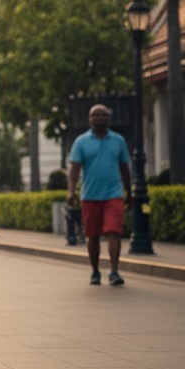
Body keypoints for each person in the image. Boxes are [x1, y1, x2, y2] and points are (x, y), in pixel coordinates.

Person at [67, 104, 131, 286]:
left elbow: (125, 169)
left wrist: (129, 192)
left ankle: (114, 271)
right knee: (92, 235)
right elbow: (74, 171)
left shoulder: (118, 141)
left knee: (114, 231)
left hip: (114, 195)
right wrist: (71, 191)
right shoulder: (81, 142)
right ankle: (95, 271)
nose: (100, 117)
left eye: (103, 115)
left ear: (109, 118)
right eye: (96, 115)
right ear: (89, 119)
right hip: (90, 195)